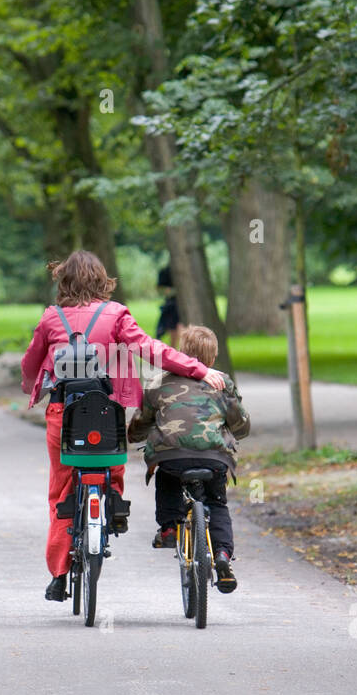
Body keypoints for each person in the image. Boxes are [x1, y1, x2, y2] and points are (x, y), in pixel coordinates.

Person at [21, 250, 225, 601]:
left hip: (63, 414)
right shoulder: (116, 315)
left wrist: (31, 386)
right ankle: (113, 502)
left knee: (61, 489)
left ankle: (58, 574)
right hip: (107, 413)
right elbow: (151, 349)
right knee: (110, 464)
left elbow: (31, 363)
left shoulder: (51, 318)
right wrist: (198, 368)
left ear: (63, 281)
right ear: (102, 280)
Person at [127, 324, 250, 593]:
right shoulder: (222, 382)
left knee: (166, 477)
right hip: (215, 458)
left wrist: (132, 436)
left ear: (181, 352)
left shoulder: (158, 382)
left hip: (172, 457)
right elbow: (240, 423)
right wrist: (237, 432)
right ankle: (223, 557)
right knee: (216, 504)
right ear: (214, 356)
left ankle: (169, 527)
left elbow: (142, 421)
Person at [155, 263, 182, 349]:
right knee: (173, 328)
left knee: (179, 327)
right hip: (172, 305)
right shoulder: (165, 272)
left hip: (178, 305)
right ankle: (174, 351)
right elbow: (160, 289)